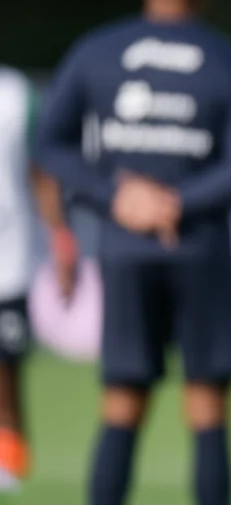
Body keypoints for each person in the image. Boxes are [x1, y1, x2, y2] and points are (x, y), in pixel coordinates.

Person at [35, 0, 231, 505]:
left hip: (125, 248)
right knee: (207, 404)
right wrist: (179, 203)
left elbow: (50, 145)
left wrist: (118, 197)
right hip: (200, 247)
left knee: (121, 401)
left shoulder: (98, 50)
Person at [0, 67, 77, 490]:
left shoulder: (15, 94)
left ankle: (7, 461)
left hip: (7, 259)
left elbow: (42, 171)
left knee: (6, 368)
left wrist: (60, 239)